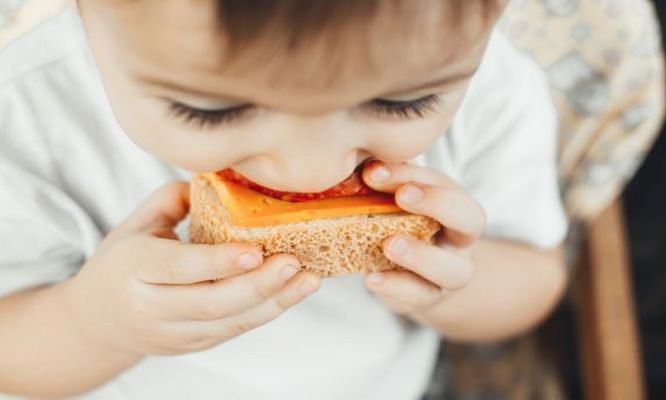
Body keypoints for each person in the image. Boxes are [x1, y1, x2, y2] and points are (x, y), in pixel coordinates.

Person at [0, 1, 568, 399]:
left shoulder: (495, 89)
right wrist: (95, 322)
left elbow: (537, 277)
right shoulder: (23, 113)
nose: (310, 173)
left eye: (403, 103)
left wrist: (457, 280)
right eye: (211, 111)